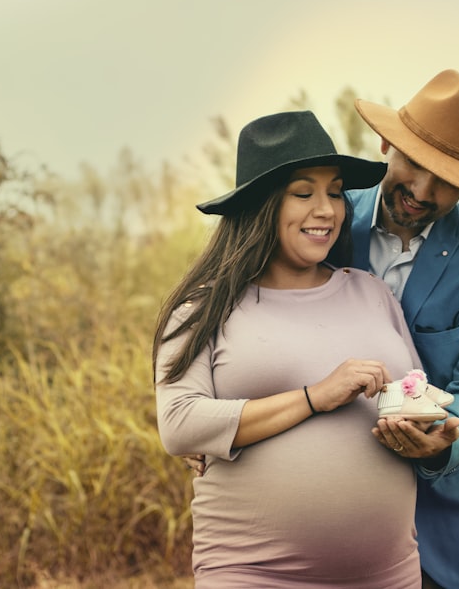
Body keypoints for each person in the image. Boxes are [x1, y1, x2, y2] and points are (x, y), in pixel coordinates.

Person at [154, 110, 430, 588]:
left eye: (335, 191)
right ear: (262, 205)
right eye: (303, 193)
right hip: (254, 573)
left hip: (388, 574)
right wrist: (313, 397)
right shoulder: (204, 308)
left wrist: (435, 435)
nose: (327, 209)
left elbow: (417, 394)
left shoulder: (372, 292)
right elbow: (180, 424)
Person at [350, 69, 459, 589]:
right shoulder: (328, 222)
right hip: (334, 513)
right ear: (387, 143)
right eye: (414, 164)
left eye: (447, 179)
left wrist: (447, 442)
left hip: (443, 528)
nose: (422, 191)